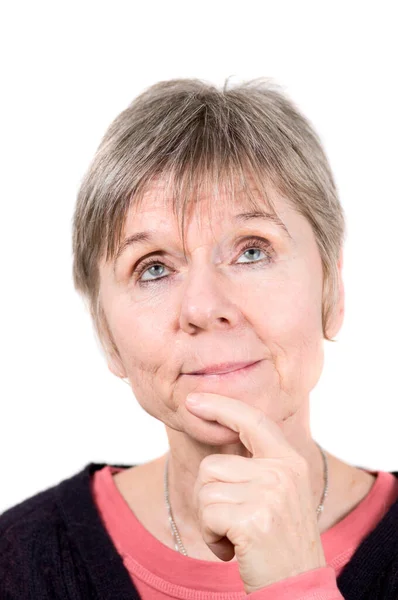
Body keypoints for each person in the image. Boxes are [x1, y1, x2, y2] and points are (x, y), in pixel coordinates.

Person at [1, 78, 397, 600]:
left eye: (253, 250)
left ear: (333, 290)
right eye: (154, 268)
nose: (203, 308)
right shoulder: (20, 564)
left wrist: (297, 584)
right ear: (106, 335)